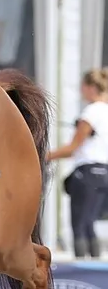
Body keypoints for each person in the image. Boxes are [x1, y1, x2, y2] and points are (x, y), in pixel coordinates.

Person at [48, 68, 108, 258]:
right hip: (104, 173)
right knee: (90, 223)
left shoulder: (90, 112)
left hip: (87, 174)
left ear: (91, 88)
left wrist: (46, 156)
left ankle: (81, 269)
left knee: (79, 226)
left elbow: (72, 148)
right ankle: (97, 271)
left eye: (82, 86)